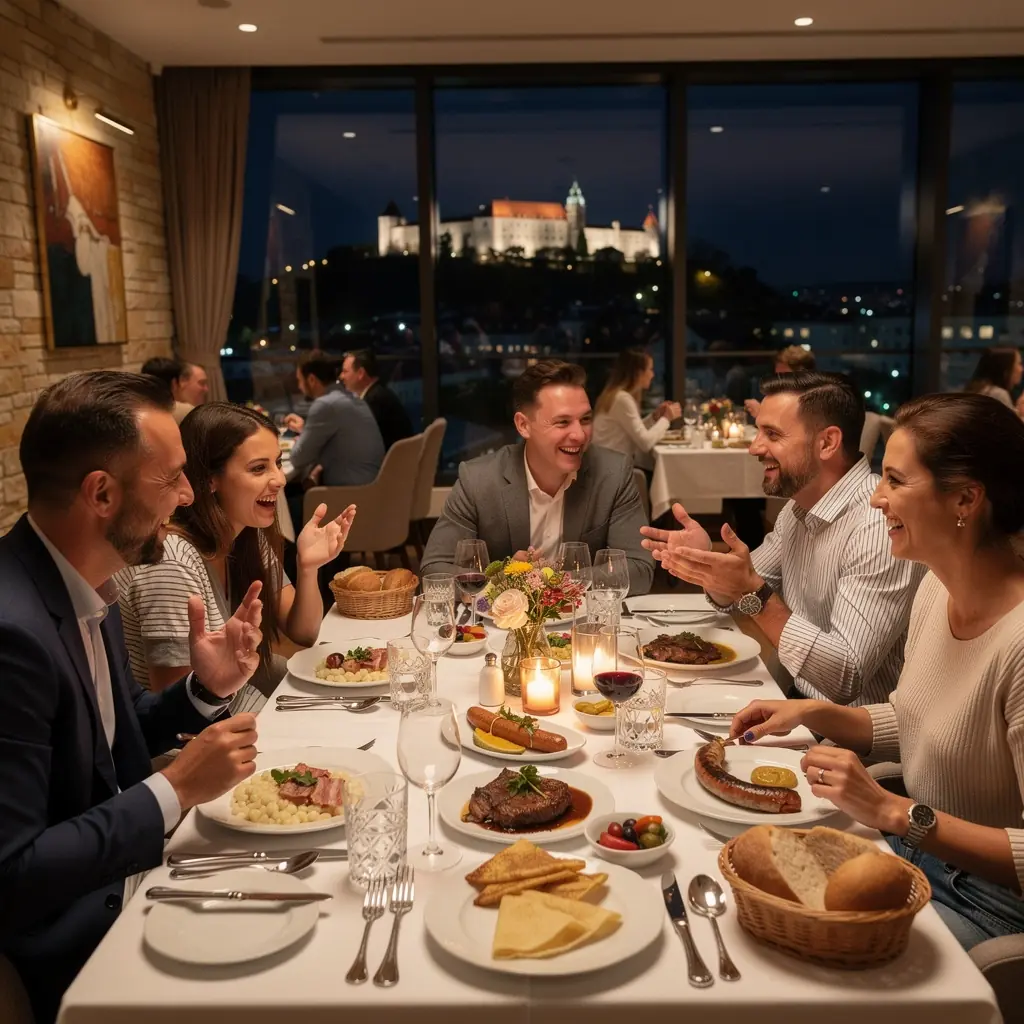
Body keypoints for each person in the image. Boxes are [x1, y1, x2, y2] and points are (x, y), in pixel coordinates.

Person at [0, 371, 264, 1024]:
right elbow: (14, 873)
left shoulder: (90, 584)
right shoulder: (13, 634)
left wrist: (206, 689)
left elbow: (109, 747)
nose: (185, 494)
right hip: (77, 943)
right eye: (171, 477)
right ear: (102, 493)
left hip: (130, 875)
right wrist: (174, 789)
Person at [729, 393, 1024, 951]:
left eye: (894, 480)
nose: (875, 498)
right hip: (912, 856)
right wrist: (816, 712)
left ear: (966, 498)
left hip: (990, 903)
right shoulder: (936, 588)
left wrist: (892, 810)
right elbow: (915, 718)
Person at [642, 371, 925, 706]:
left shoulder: (876, 526)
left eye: (772, 434)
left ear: (827, 443)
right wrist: (709, 564)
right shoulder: (798, 510)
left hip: (849, 742)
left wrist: (753, 593)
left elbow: (844, 678)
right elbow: (740, 591)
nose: (754, 447)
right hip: (794, 704)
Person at [115, 403, 356, 713]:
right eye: (259, 468)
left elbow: (304, 633)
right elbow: (179, 717)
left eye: (277, 463)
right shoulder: (172, 563)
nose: (280, 479)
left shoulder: (248, 534)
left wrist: (308, 567)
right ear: (210, 479)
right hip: (201, 741)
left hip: (247, 704)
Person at [422, 359, 654, 594]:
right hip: (501, 625)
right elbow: (434, 570)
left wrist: (552, 580)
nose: (579, 435)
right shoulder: (479, 480)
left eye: (585, 419)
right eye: (562, 422)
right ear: (523, 425)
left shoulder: (613, 473)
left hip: (584, 624)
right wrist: (503, 578)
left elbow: (639, 569)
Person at [282, 351, 384, 532]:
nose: (299, 386)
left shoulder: (325, 405)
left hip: (351, 497)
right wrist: (306, 430)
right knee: (293, 493)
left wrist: (301, 437)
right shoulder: (351, 398)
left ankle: (301, 560)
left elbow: (298, 458)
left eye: (299, 380)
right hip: (369, 491)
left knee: (279, 509)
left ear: (312, 379)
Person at [592, 349, 681, 470]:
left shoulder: (617, 396)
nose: (652, 374)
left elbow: (633, 431)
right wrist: (666, 419)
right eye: (650, 369)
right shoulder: (622, 399)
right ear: (638, 373)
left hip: (605, 466)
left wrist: (654, 418)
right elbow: (645, 443)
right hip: (611, 471)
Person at [340, 348, 414, 451]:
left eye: (345, 371)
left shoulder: (374, 401)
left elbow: (360, 444)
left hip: (385, 464)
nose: (341, 376)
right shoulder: (381, 393)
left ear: (361, 373)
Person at [744, 345, 816, 420]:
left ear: (802, 375)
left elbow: (792, 428)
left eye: (783, 376)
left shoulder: (814, 399)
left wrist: (761, 414)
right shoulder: (782, 393)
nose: (778, 381)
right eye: (777, 375)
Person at [141, 356, 210, 423]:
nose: (206, 389)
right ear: (174, 382)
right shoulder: (185, 412)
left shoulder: (138, 410)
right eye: (202, 383)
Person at [964, 346, 1024, 417]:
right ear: (1005, 370)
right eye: (1019, 364)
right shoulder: (998, 394)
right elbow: (1010, 427)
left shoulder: (984, 389)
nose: (1022, 369)